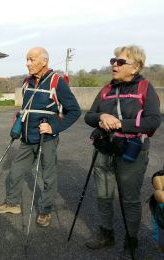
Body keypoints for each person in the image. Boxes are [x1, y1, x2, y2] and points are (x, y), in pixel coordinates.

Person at [84, 45, 161, 257]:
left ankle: (131, 237)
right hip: (104, 149)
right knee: (103, 195)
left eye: (120, 62)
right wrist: (101, 117)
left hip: (132, 152)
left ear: (135, 67)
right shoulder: (106, 89)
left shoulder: (145, 88)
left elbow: (154, 120)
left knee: (130, 198)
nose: (114, 65)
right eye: (113, 61)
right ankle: (106, 233)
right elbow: (89, 115)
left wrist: (120, 124)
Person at [0, 47, 81, 227]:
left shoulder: (57, 81)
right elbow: (27, 108)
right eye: (27, 59)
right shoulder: (27, 82)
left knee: (47, 176)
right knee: (15, 171)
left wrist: (53, 127)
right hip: (26, 138)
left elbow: (75, 111)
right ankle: (12, 203)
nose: (27, 63)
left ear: (44, 61)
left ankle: (45, 210)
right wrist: (19, 119)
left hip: (46, 139)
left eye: (31, 60)